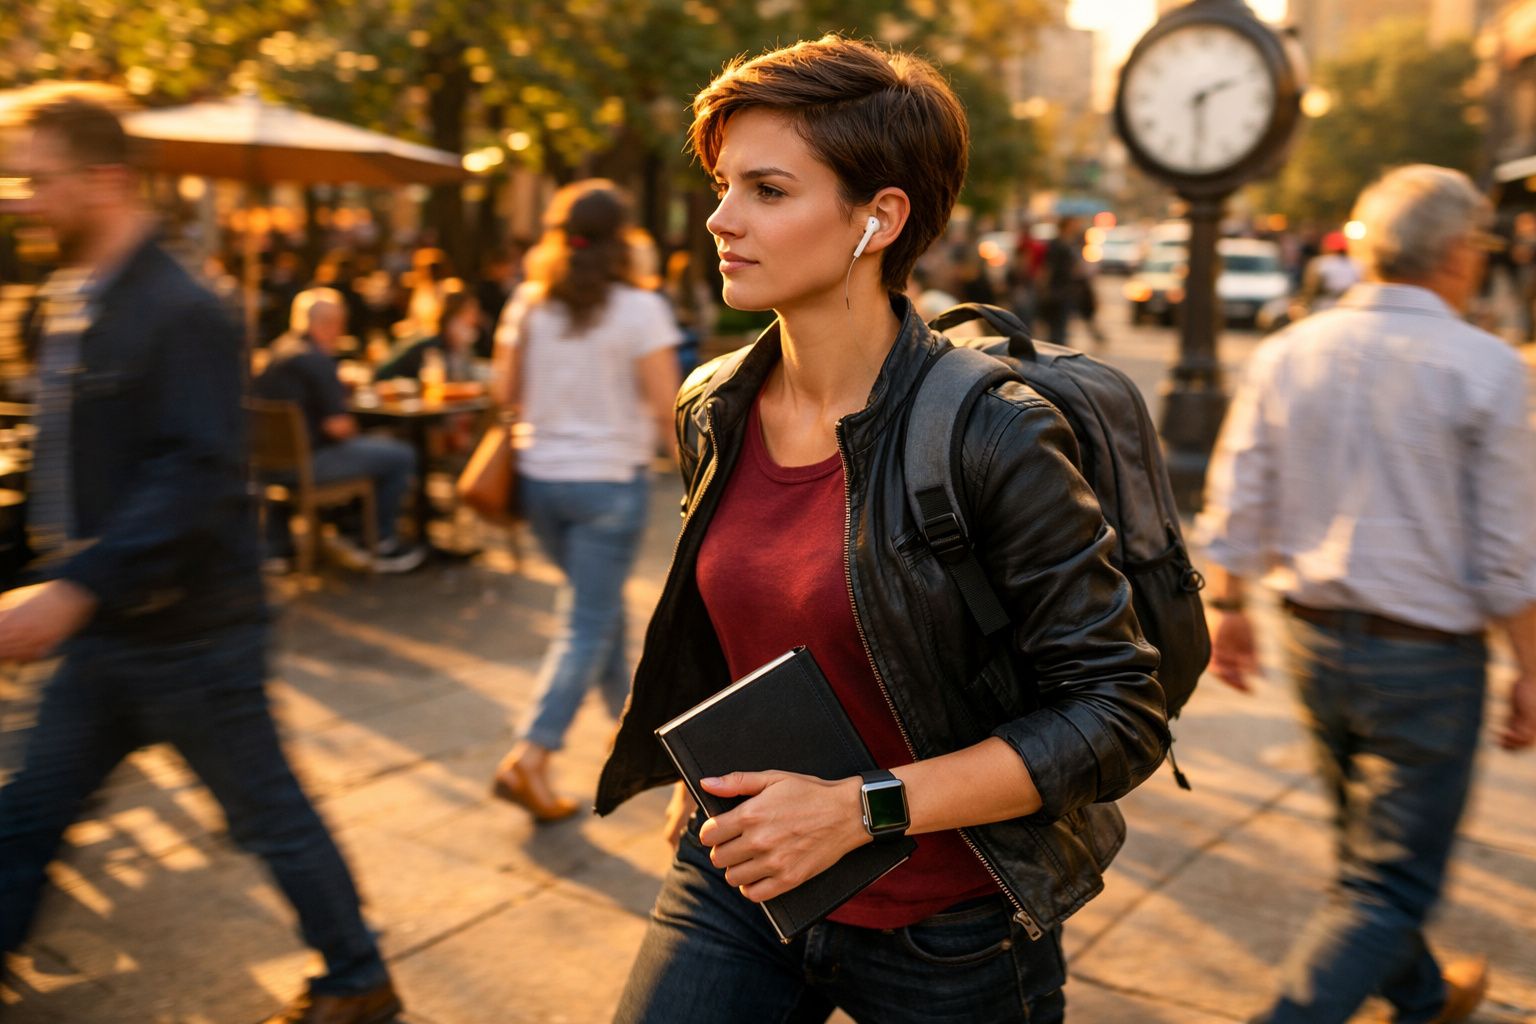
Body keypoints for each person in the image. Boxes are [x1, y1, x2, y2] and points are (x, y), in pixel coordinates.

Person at [597, 36, 1167, 1023]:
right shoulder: (713, 405)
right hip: (742, 885)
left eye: (768, 190)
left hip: (947, 928)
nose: (720, 218)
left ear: (879, 218)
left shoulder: (995, 434)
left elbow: (1119, 714)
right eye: (725, 184)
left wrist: (860, 807)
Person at [0, 98, 402, 1024]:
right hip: (107, 629)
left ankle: (358, 979)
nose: (27, 200)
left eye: (41, 178)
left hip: (192, 634)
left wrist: (73, 586)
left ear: (103, 181)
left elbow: (197, 471)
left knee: (269, 818)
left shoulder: (178, 308)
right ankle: (357, 976)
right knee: (25, 817)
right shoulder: (72, 299)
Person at [1197, 164, 1536, 1024]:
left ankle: (1421, 998)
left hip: (1314, 641)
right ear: (1459, 254)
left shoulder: (1289, 351)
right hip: (1427, 660)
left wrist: (1229, 607)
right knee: (1390, 882)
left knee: (1368, 858)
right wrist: (1531, 666)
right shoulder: (1487, 369)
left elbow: (1237, 495)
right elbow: (1507, 556)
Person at [489, 180, 681, 822]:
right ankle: (532, 755)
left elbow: (503, 388)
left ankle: (625, 724)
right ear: (624, 236)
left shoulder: (529, 302)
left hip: (540, 479)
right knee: (588, 621)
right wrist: (699, 478)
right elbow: (666, 407)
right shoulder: (639, 308)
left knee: (594, 611)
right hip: (607, 484)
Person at [254, 287, 425, 573]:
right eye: (339, 323)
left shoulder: (275, 353)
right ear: (327, 324)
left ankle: (277, 545)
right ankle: (376, 540)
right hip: (307, 466)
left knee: (365, 449)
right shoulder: (316, 360)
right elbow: (339, 428)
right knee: (400, 455)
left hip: (265, 465)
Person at [373, 288, 482, 382]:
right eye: (468, 315)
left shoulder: (457, 347)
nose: (474, 321)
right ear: (452, 319)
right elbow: (382, 372)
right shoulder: (429, 344)